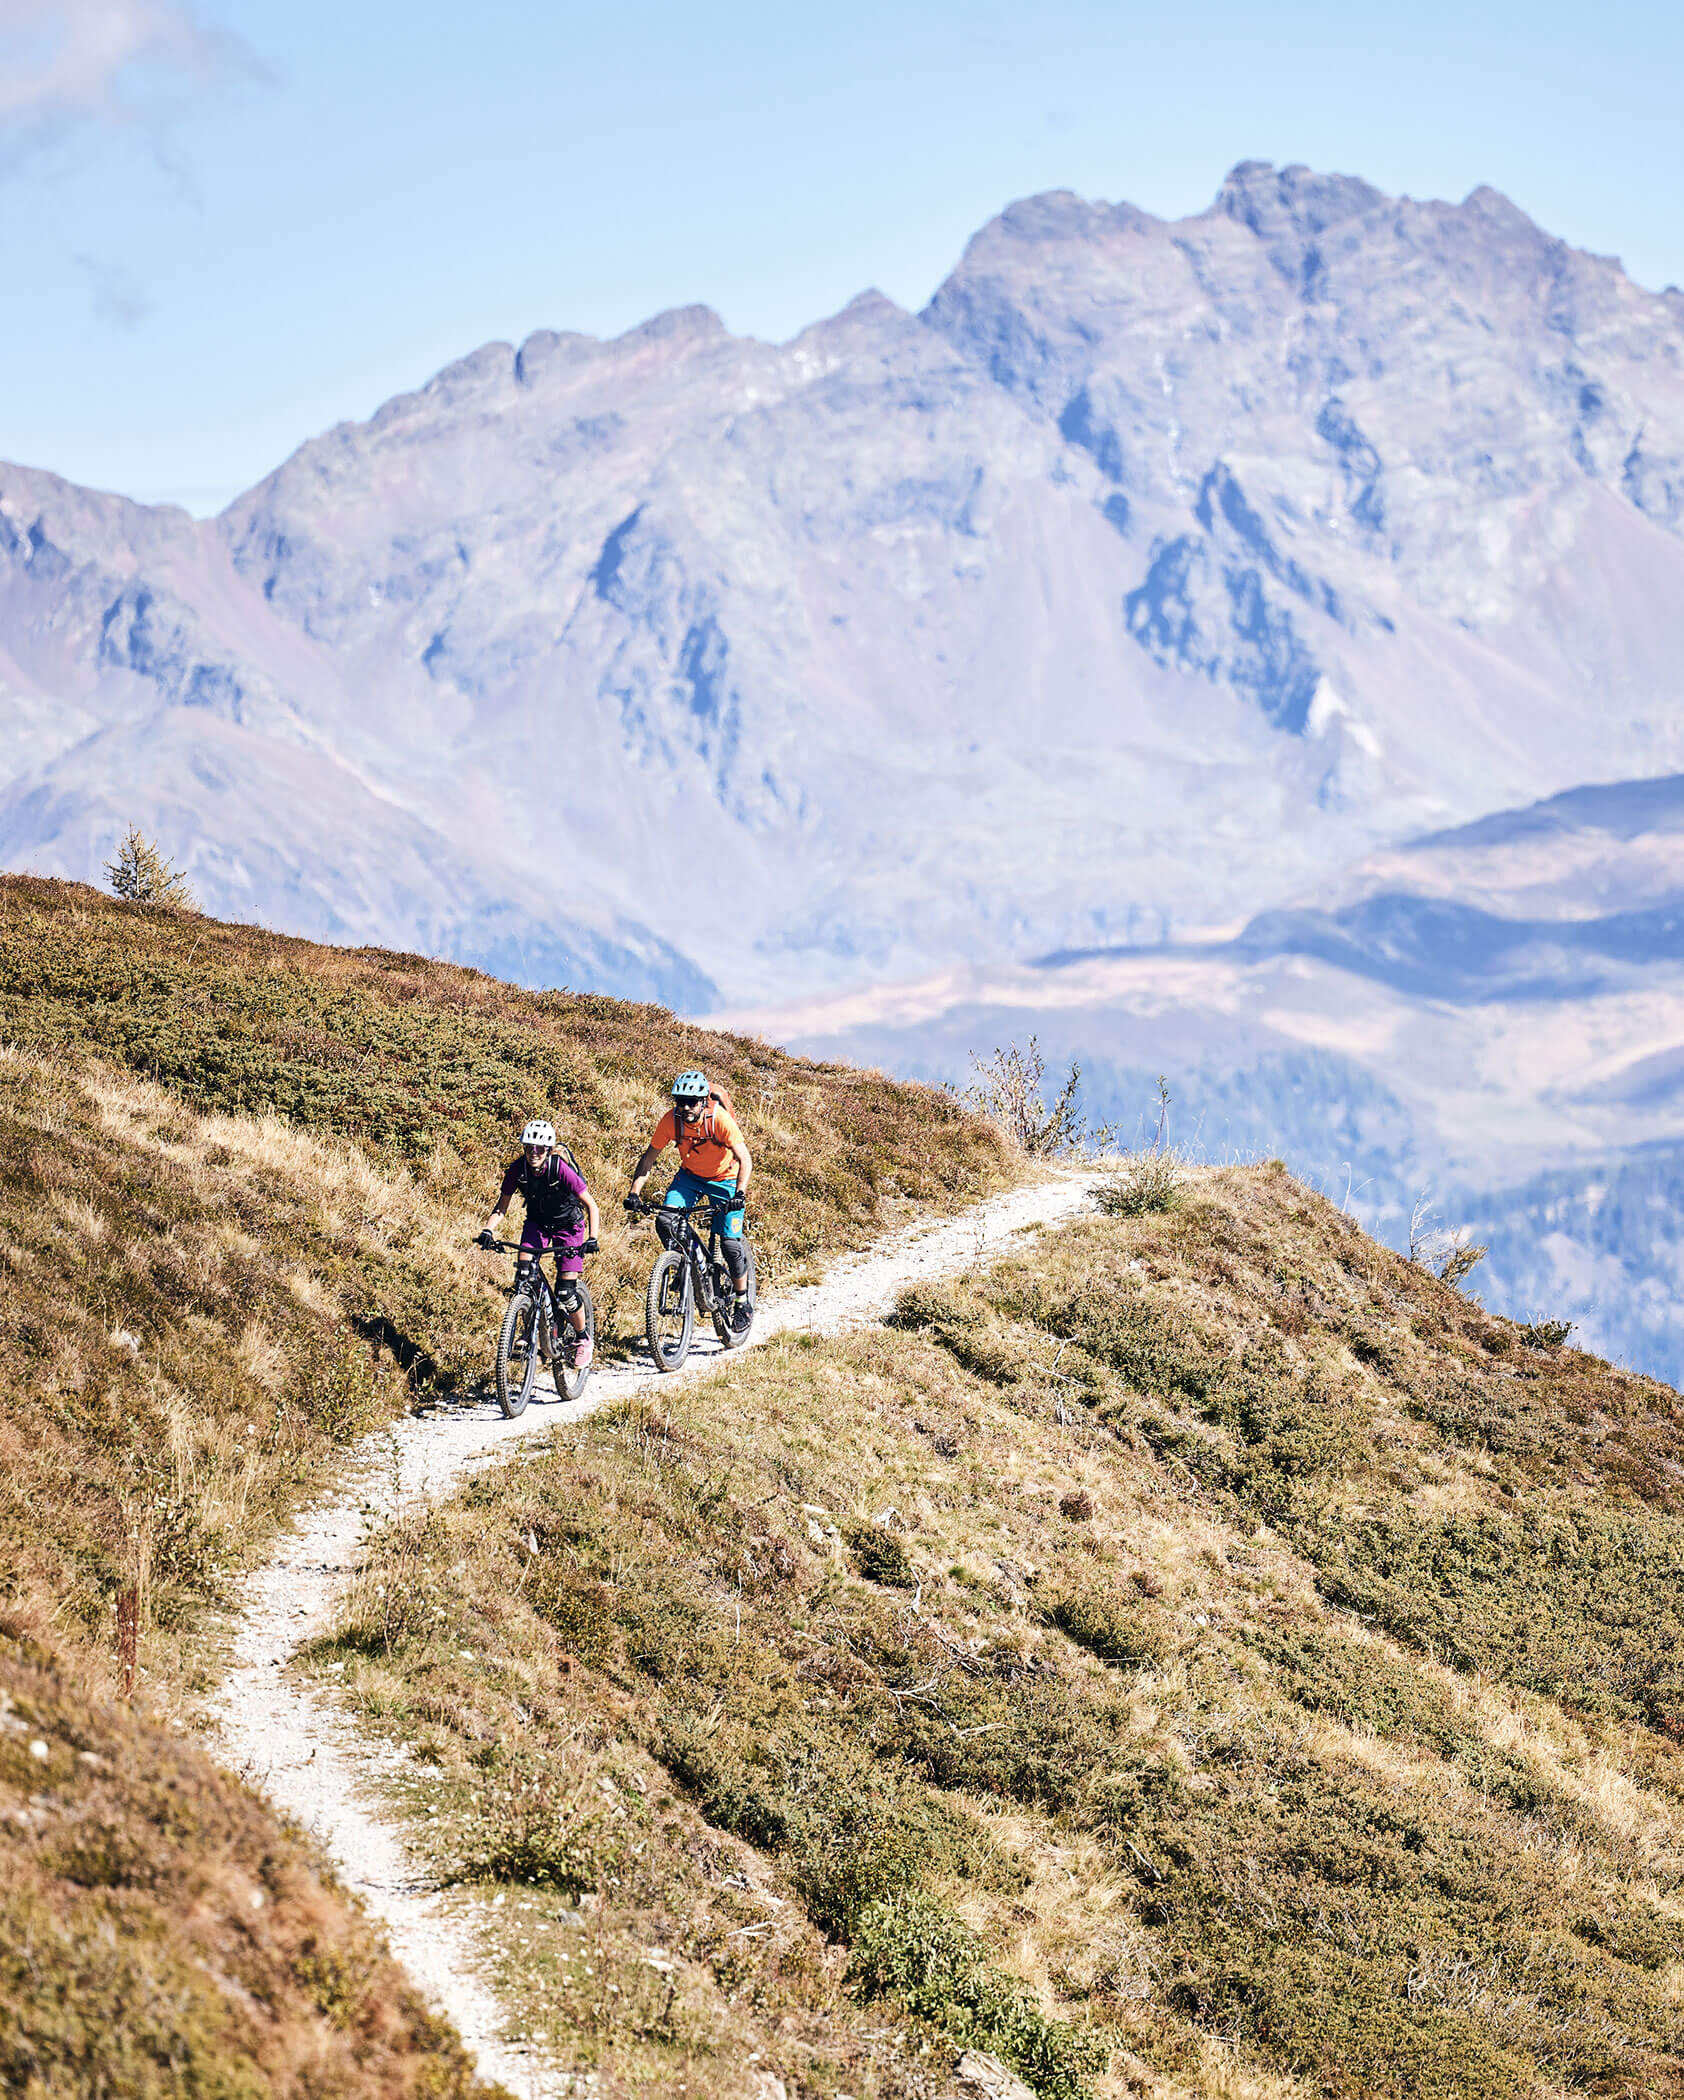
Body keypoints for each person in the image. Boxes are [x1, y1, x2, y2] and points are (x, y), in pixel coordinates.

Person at [627, 1070, 753, 1329]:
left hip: (725, 1179)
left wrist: (739, 1193)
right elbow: (649, 1159)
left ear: (704, 1100)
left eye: (692, 1101)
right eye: (680, 1101)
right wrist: (634, 1192)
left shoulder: (719, 1119)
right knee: (665, 1221)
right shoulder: (671, 1121)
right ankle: (686, 1264)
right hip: (690, 1177)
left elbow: (745, 1159)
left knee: (730, 1246)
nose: (685, 1107)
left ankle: (742, 1302)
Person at [478, 1119, 600, 1369]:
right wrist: (488, 1230)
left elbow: (591, 1204)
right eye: (529, 1147)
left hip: (569, 1227)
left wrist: (593, 1238)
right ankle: (529, 1329)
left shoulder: (560, 1169)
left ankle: (582, 1338)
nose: (534, 1152)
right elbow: (501, 1207)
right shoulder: (516, 1170)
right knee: (524, 1277)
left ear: (548, 1150)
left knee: (566, 1292)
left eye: (540, 1148)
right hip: (537, 1224)